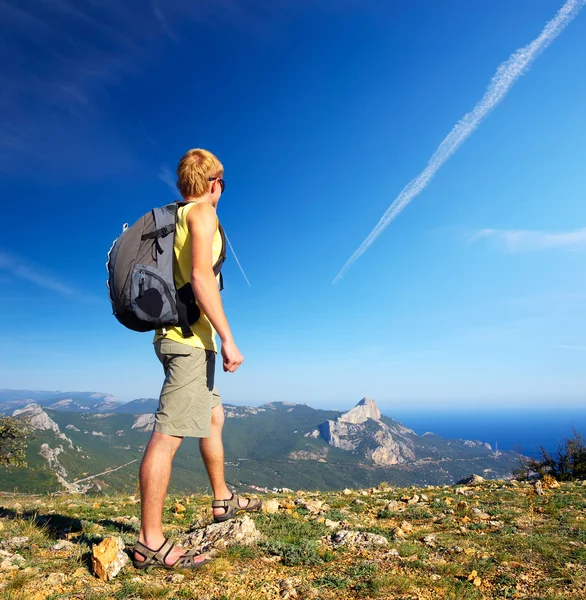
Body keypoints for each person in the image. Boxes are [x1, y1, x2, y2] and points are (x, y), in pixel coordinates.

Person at [132, 149, 261, 571]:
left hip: (183, 338)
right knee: (167, 435)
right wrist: (229, 339)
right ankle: (150, 542)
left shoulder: (174, 219)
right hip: (189, 342)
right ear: (214, 183)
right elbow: (203, 277)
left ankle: (222, 499)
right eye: (222, 183)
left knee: (212, 416)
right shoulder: (201, 214)